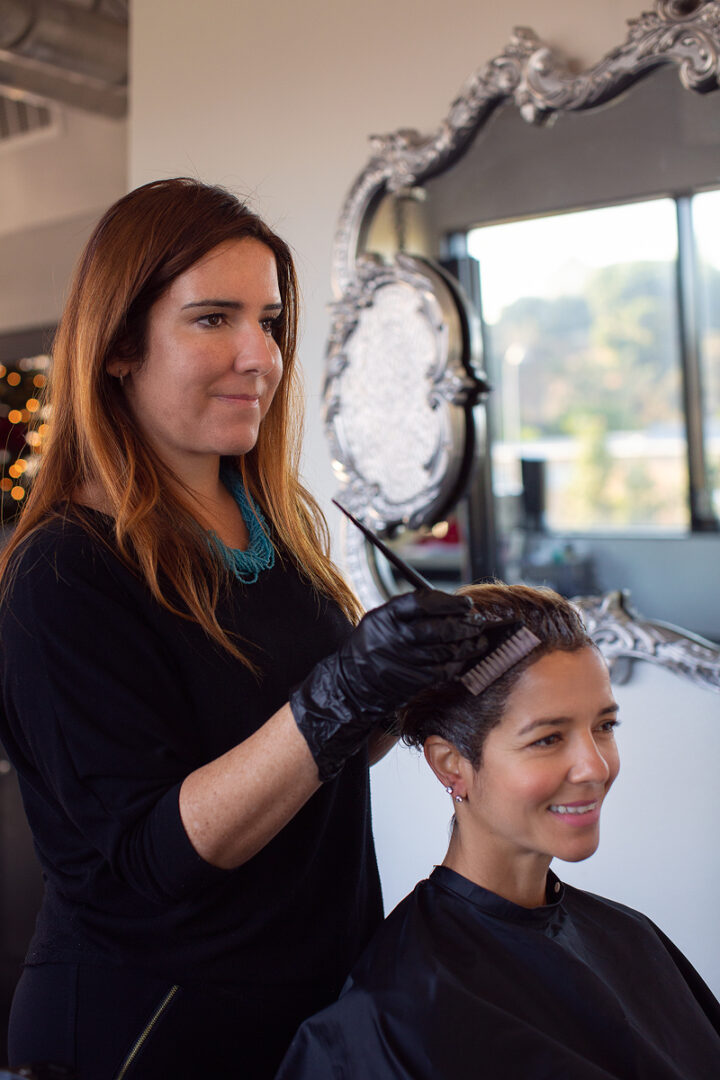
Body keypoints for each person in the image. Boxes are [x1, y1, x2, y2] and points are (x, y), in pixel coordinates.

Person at [0, 178, 491, 1079]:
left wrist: (406, 686)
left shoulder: (277, 523)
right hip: (152, 1031)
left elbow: (304, 759)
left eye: (267, 321)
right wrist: (340, 693)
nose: (257, 355)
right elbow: (158, 857)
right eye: (212, 319)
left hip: (313, 1001)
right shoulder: (64, 573)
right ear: (118, 347)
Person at [276, 583, 720, 1079]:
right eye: (548, 738)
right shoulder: (394, 1013)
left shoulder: (628, 936)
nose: (594, 767)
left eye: (605, 727)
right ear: (452, 766)